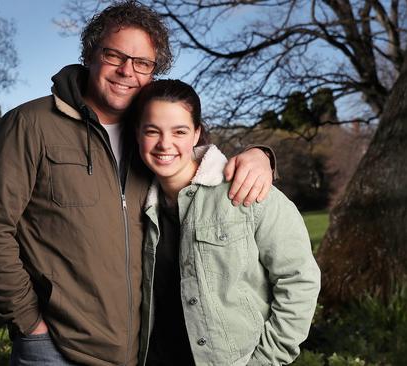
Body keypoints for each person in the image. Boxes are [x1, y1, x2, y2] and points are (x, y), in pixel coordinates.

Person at [0, 2, 274, 365]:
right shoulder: (31, 124)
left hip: (138, 351)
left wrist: (261, 156)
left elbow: (201, 168)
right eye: (114, 55)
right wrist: (28, 322)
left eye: (142, 63)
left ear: (152, 72)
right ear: (90, 55)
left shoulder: (149, 137)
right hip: (55, 349)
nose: (127, 71)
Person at [133, 79, 320, 365]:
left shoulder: (247, 188)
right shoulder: (139, 201)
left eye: (179, 131)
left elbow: (299, 280)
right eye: (152, 131)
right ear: (137, 133)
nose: (164, 144)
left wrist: (266, 359)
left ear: (196, 134)